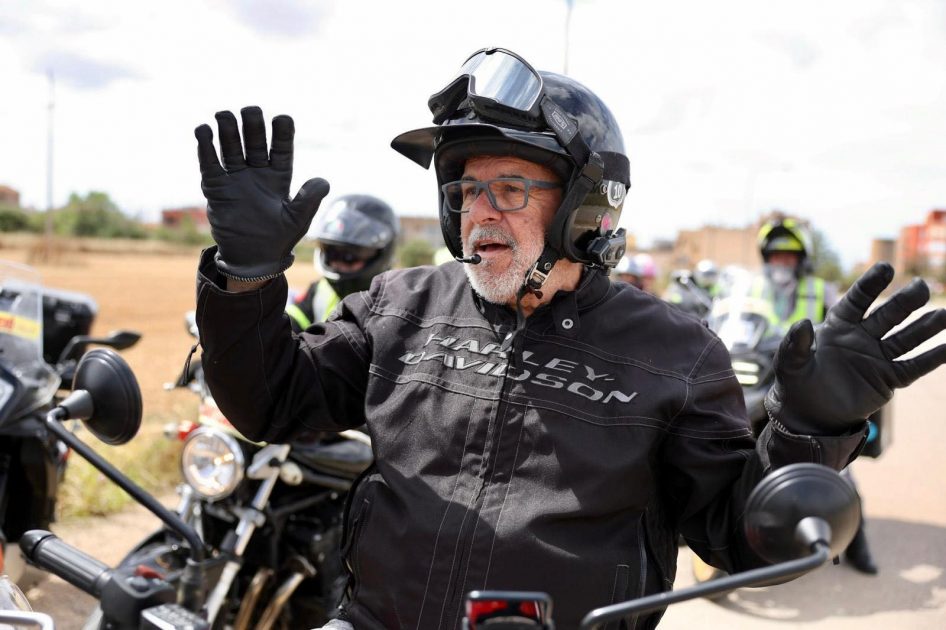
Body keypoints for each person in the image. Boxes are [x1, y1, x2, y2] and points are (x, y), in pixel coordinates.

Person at [192, 48, 946, 629]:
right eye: (465, 189)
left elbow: (738, 535)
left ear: (588, 207)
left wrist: (811, 429)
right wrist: (245, 280)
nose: (478, 212)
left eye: (510, 188)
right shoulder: (402, 306)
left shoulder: (675, 355)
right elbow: (269, 401)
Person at [755, 217, 877, 574]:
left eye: (789, 256)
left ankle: (857, 545)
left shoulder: (821, 290)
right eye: (775, 256)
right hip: (762, 375)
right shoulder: (752, 288)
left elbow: (844, 334)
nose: (782, 262)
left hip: (809, 386)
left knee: (838, 468)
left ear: (802, 259)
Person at [285, 194, 399, 330]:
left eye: (349, 256)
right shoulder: (320, 290)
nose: (337, 262)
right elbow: (288, 326)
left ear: (381, 253)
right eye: (331, 252)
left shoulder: (397, 303)